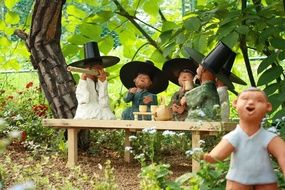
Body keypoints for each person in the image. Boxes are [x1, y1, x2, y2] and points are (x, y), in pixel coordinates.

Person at [203, 87, 285, 190]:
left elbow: (282, 153)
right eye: (245, 99)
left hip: (265, 179)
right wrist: (211, 157)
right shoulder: (235, 136)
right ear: (235, 103)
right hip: (238, 179)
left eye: (259, 100)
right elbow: (219, 153)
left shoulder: (268, 137)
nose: (251, 103)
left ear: (268, 107)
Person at [69, 41, 120, 149]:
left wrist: (103, 83)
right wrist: (83, 80)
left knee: (109, 116)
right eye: (95, 68)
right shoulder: (83, 82)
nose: (98, 70)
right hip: (86, 111)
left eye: (100, 67)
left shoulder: (99, 82)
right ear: (87, 68)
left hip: (101, 110)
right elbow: (83, 100)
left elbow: (104, 103)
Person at [182, 42, 236, 121]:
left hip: (209, 120)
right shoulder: (210, 88)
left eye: (199, 67)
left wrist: (186, 96)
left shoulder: (208, 88)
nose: (197, 69)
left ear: (203, 69)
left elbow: (188, 100)